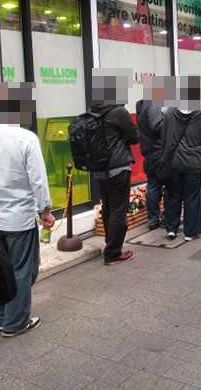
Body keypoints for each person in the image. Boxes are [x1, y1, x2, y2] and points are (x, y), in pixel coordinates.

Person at [0, 83, 55, 337]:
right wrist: (45, 210)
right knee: (21, 270)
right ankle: (16, 322)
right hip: (19, 218)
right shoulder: (27, 138)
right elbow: (38, 180)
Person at [89, 81, 140, 265]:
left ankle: (109, 244)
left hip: (99, 169)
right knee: (119, 209)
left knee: (108, 207)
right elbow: (135, 137)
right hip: (117, 167)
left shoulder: (92, 111)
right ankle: (113, 253)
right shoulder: (118, 112)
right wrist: (123, 136)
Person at [161, 107, 201, 241]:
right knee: (192, 197)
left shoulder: (170, 112)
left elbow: (163, 137)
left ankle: (171, 228)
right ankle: (190, 231)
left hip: (173, 161)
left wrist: (165, 158)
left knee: (173, 195)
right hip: (193, 162)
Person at [136, 99, 165, 229]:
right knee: (170, 185)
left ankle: (153, 218)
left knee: (153, 185)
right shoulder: (153, 104)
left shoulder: (142, 107)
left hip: (149, 153)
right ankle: (168, 217)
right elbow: (156, 127)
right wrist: (169, 122)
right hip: (158, 151)